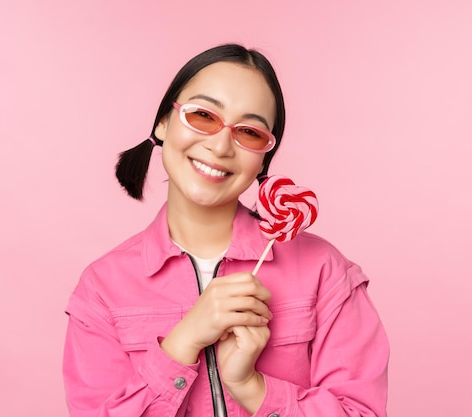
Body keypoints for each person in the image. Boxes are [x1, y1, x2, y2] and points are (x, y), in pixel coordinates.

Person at [63, 43, 389, 417]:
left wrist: (252, 388)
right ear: (163, 123)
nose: (220, 146)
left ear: (264, 156)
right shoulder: (102, 289)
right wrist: (182, 344)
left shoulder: (324, 272)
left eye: (249, 132)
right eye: (202, 115)